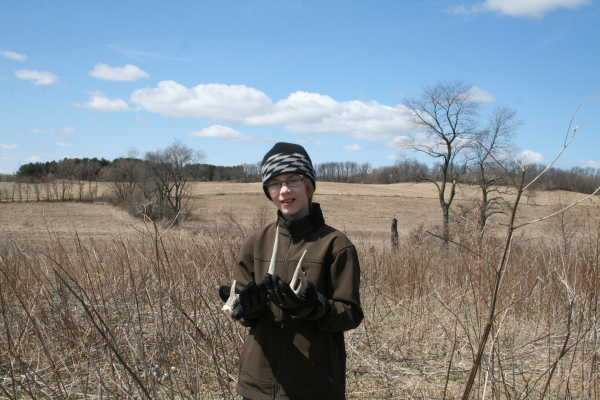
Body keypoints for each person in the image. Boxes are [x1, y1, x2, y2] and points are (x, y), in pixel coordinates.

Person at [221, 142, 363, 400]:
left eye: (293, 180)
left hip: (314, 386)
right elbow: (240, 310)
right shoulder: (255, 242)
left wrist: (315, 308)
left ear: (308, 184)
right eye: (274, 183)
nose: (284, 190)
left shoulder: (336, 245)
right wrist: (245, 309)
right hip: (258, 385)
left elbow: (351, 314)